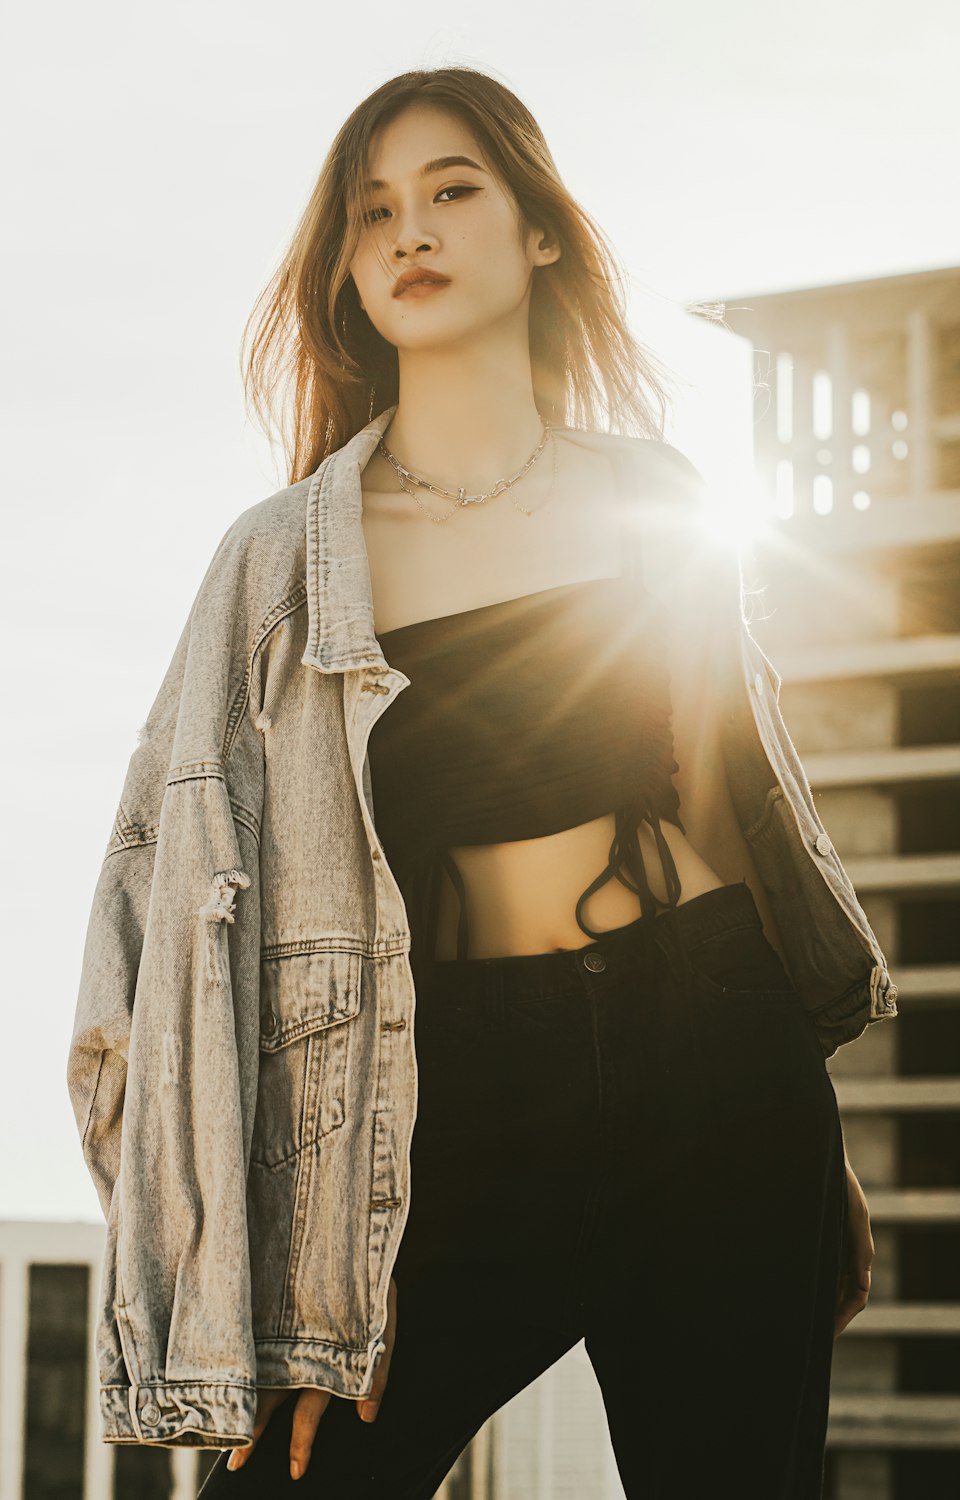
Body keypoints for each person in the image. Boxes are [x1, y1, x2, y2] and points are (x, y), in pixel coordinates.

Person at [67, 66, 898, 1500]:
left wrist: (804, 1141)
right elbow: (167, 902)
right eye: (373, 210)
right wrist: (279, 1285)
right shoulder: (281, 561)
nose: (411, 232)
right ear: (345, 271)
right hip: (445, 1095)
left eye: (453, 190)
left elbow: (729, 806)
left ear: (540, 234)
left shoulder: (657, 496)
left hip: (714, 1048)